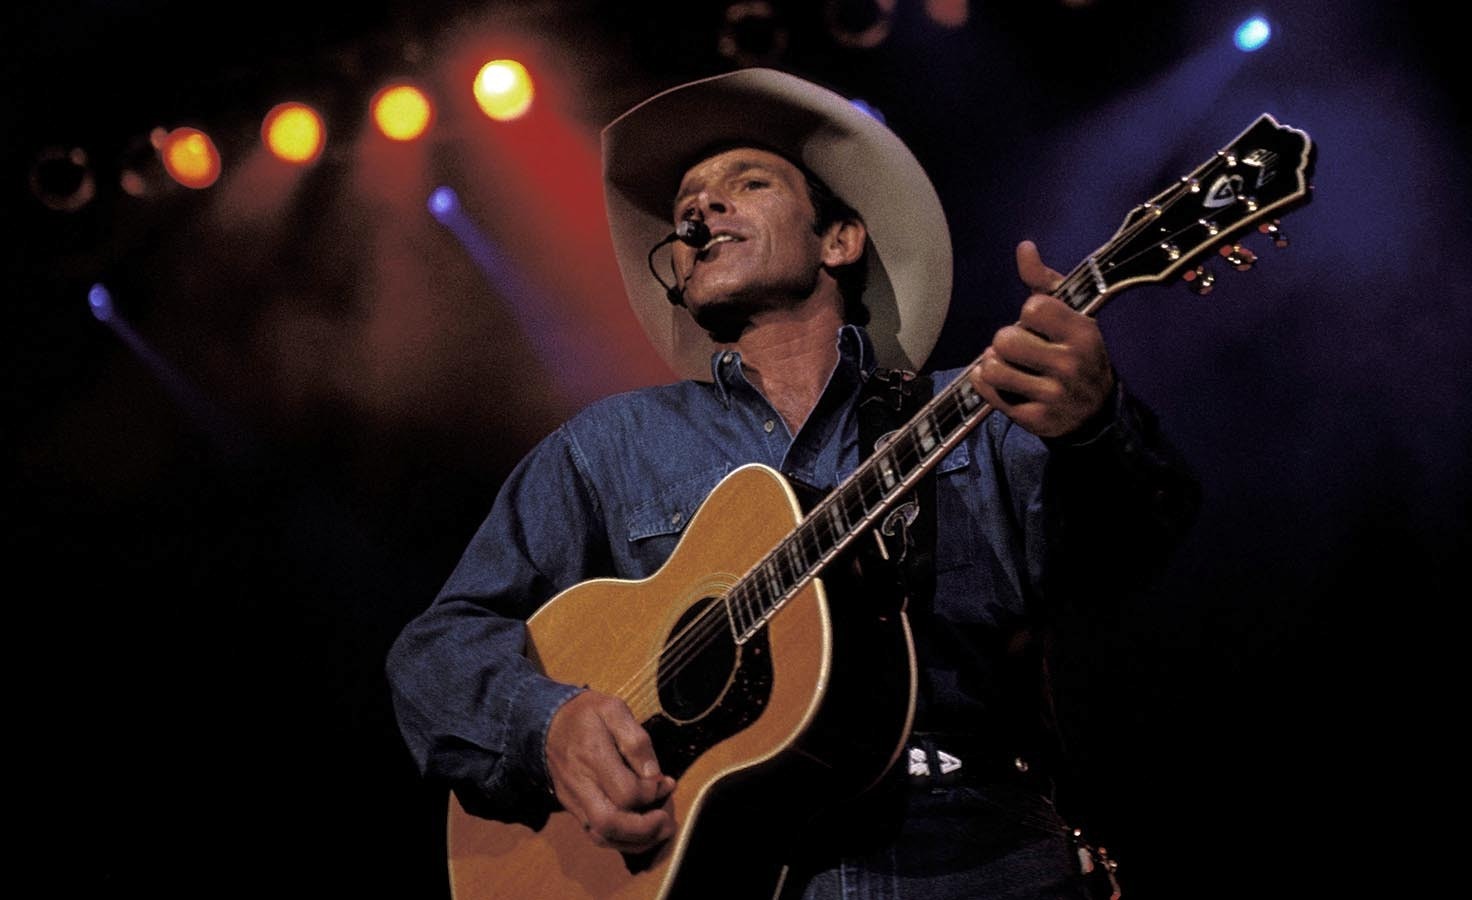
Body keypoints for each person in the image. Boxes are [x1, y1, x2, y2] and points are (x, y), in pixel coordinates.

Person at [386, 67, 1199, 899]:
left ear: (839, 241)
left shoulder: (984, 410)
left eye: (748, 182)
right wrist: (545, 724)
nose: (702, 209)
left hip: (975, 855)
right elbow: (434, 651)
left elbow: (1134, 554)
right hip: (719, 867)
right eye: (687, 207)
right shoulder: (605, 448)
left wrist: (1094, 428)